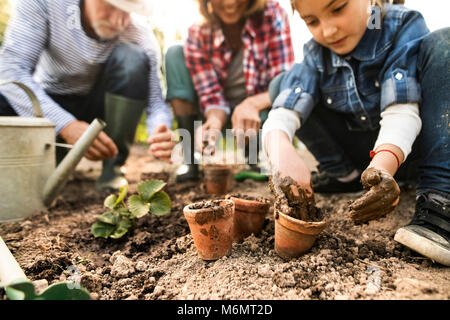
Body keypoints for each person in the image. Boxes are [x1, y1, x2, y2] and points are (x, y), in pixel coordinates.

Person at [262, 0, 450, 265]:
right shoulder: (317, 53)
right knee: (282, 85)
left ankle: (440, 200)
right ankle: (347, 177)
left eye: (337, 9)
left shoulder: (401, 26)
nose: (327, 31)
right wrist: (281, 154)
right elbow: (281, 115)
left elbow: (401, 112)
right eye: (312, 21)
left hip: (414, 152)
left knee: (445, 43)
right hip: (365, 159)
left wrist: (382, 167)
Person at [0, 0, 173, 191]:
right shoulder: (44, 4)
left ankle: (113, 168)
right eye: (111, 6)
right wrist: (65, 124)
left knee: (132, 58)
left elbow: (156, 103)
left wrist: (159, 130)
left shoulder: (139, 34)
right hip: (49, 105)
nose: (118, 21)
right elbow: (11, 70)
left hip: (99, 110)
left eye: (127, 12)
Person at [159, 0, 294, 182]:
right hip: (218, 114)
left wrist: (251, 105)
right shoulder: (197, 32)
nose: (230, 2)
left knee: (282, 99)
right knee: (175, 53)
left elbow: (284, 81)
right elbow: (210, 95)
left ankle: (254, 154)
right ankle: (190, 158)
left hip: (259, 114)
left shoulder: (273, 14)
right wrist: (214, 120)